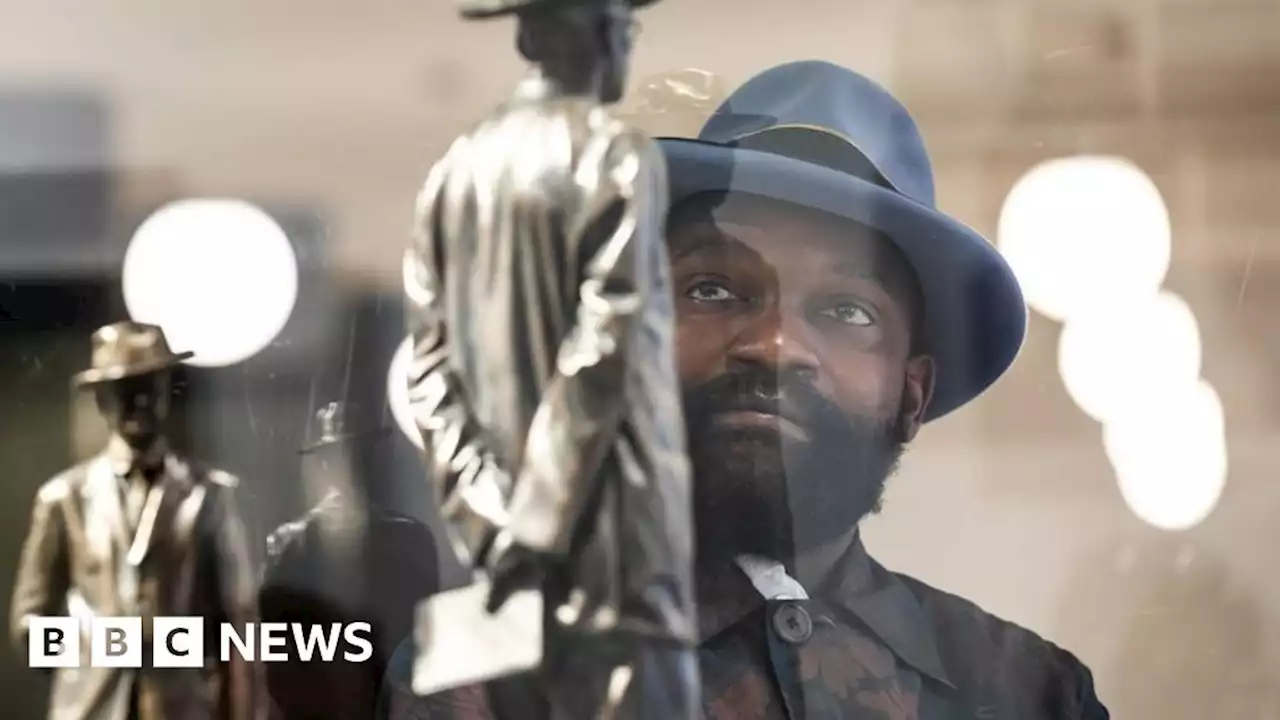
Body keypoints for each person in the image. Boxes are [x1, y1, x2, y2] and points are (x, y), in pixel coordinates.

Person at [385, 60, 1110, 718]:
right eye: (713, 287)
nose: (773, 345)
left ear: (911, 395)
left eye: (847, 311)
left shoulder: (1029, 697)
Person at [398, 0, 698, 717]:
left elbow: (427, 368)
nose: (630, 37)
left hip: (503, 575)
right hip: (614, 561)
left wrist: (490, 520)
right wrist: (536, 527)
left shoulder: (454, 172)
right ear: (598, 31)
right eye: (626, 23)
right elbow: (606, 349)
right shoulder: (614, 151)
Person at [10, 321, 258, 720]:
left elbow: (240, 626)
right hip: (88, 708)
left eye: (149, 387)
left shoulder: (211, 495)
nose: (139, 402)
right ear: (101, 399)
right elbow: (28, 620)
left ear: (167, 391)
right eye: (124, 391)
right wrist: (91, 657)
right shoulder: (63, 499)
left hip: (184, 708)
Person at [259, 400, 440, 720]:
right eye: (341, 456)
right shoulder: (289, 545)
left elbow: (429, 646)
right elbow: (276, 655)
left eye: (357, 454)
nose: (351, 466)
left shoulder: (412, 541)